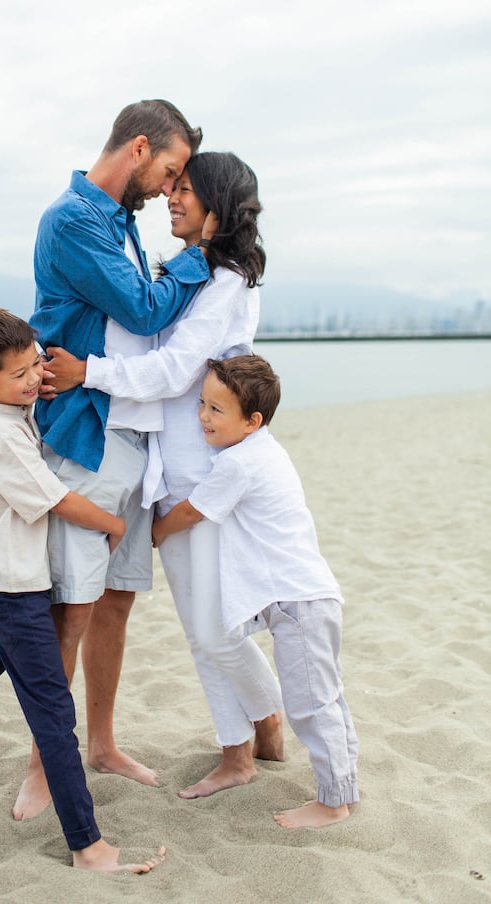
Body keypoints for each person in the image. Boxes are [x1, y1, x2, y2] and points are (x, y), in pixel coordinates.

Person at [44, 152, 285, 800]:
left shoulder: (227, 279)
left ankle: (247, 739)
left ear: (217, 206)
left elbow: (177, 370)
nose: (172, 198)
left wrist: (88, 372)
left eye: (186, 189)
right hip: (170, 473)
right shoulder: (195, 272)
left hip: (205, 474)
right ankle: (255, 730)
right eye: (172, 186)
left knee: (213, 627)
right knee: (204, 624)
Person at [0, 307, 165, 874]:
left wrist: (37, 383)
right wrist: (114, 524)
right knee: (52, 714)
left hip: (4, 583)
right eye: (17, 375)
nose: (32, 379)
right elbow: (58, 499)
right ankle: (88, 846)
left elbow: (35, 394)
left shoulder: (14, 411)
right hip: (14, 593)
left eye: (34, 365)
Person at [15, 99, 212, 820]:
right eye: (169, 170)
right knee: (70, 606)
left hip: (135, 438)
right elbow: (145, 310)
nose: (169, 188)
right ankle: (44, 765)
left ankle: (99, 744)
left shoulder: (120, 222)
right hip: (87, 437)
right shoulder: (72, 220)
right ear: (139, 148)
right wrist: (203, 251)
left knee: (115, 601)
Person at [152, 355, 360, 830]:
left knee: (312, 706)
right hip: (304, 596)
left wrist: (156, 531)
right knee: (328, 700)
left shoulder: (239, 463)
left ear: (252, 421)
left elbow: (192, 511)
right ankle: (344, 788)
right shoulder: (265, 451)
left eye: (216, 410)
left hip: (297, 602)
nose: (202, 417)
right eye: (201, 403)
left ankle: (332, 803)